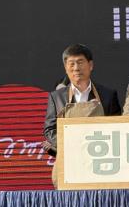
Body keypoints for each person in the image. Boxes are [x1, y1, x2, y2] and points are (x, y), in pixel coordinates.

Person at [43, 44, 121, 185]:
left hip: (101, 161)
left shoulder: (108, 95)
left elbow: (117, 129)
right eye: (71, 64)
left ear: (90, 65)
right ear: (66, 68)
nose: (76, 68)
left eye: (80, 62)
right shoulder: (56, 97)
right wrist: (70, 144)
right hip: (68, 162)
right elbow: (50, 129)